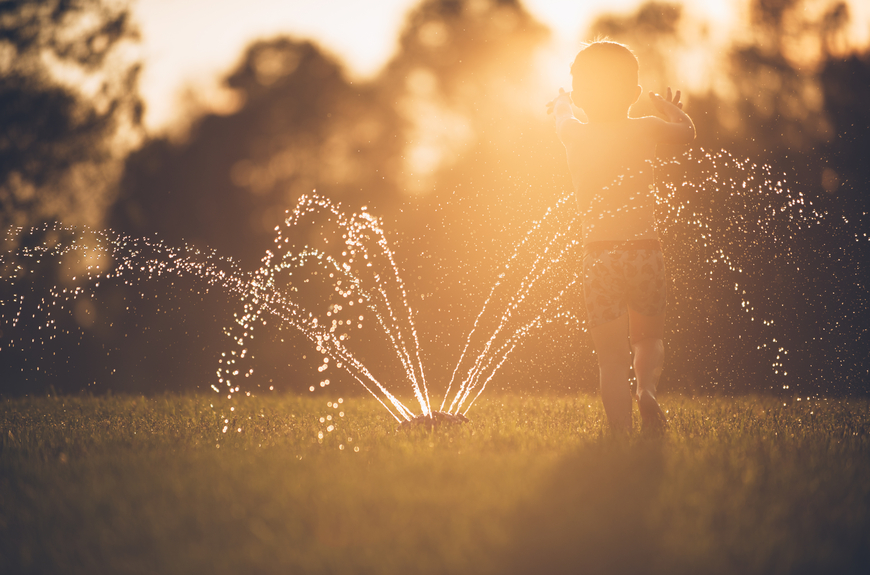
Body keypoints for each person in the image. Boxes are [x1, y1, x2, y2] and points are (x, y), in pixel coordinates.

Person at [547, 41, 695, 433]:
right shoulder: (645, 127)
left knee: (609, 359)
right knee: (647, 339)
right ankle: (646, 391)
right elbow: (687, 132)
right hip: (645, 252)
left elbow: (561, 116)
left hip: (599, 257)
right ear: (633, 94)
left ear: (580, 95)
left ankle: (620, 431)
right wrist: (669, 108)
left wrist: (563, 103)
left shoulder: (574, 134)